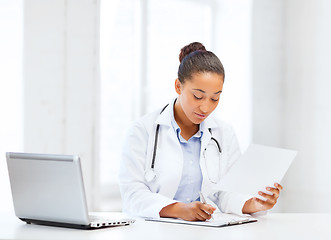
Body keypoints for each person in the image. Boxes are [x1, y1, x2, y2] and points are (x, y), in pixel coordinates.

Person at [118, 42, 283, 221]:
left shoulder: (223, 133)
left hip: (204, 232)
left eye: (215, 98)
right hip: (153, 231)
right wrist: (179, 210)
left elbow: (225, 193)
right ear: (178, 86)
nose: (205, 107)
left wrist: (254, 204)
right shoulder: (142, 130)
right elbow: (133, 193)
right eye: (198, 96)